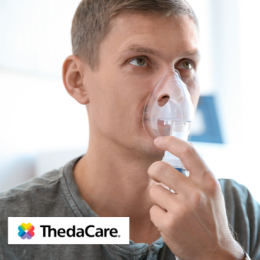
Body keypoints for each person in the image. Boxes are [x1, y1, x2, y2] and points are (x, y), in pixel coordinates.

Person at [0, 0, 259, 259]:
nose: (174, 91)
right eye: (140, 60)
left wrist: (217, 251)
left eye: (186, 64)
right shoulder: (19, 224)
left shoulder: (236, 209)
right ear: (78, 80)